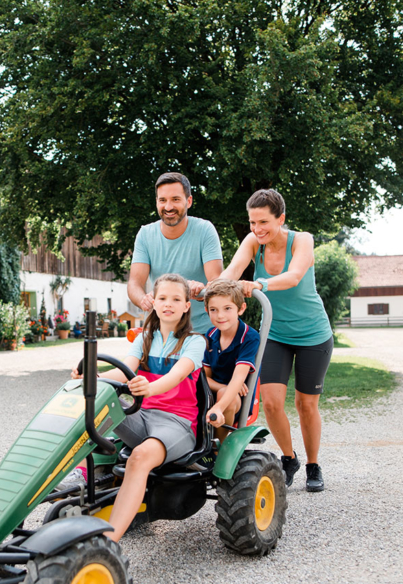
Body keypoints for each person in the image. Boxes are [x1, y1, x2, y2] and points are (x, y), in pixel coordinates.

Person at [71, 274, 205, 541]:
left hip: (177, 424)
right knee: (92, 401)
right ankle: (77, 473)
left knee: (139, 457)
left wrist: (149, 388)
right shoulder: (144, 337)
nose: (169, 304)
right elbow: (124, 371)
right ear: (153, 302)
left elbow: (176, 376)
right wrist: (91, 378)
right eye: (163, 298)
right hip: (142, 417)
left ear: (187, 306)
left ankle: (109, 541)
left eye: (176, 299)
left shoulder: (194, 341)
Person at [220, 189, 333, 492]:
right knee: (270, 403)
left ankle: (312, 464)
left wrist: (260, 283)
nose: (257, 229)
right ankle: (289, 458)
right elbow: (231, 271)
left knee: (306, 405)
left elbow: (295, 276)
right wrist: (207, 288)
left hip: (313, 335)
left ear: (281, 219)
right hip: (276, 335)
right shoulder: (252, 243)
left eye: (264, 222)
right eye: (252, 223)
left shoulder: (303, 240)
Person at [128, 172, 224, 333]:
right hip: (159, 330)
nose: (168, 207)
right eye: (162, 200)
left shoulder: (205, 230)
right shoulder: (145, 234)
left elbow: (216, 282)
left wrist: (200, 291)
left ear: (189, 201)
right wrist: (143, 299)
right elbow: (134, 283)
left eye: (175, 199)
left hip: (199, 330)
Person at [201, 280, 260, 442]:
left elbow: (238, 378)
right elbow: (204, 377)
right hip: (213, 393)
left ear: (241, 309)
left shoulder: (249, 337)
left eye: (227, 309)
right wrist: (222, 386)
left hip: (237, 400)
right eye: (214, 310)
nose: (220, 315)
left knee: (225, 394)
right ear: (207, 310)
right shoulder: (211, 334)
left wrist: (218, 407)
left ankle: (216, 449)